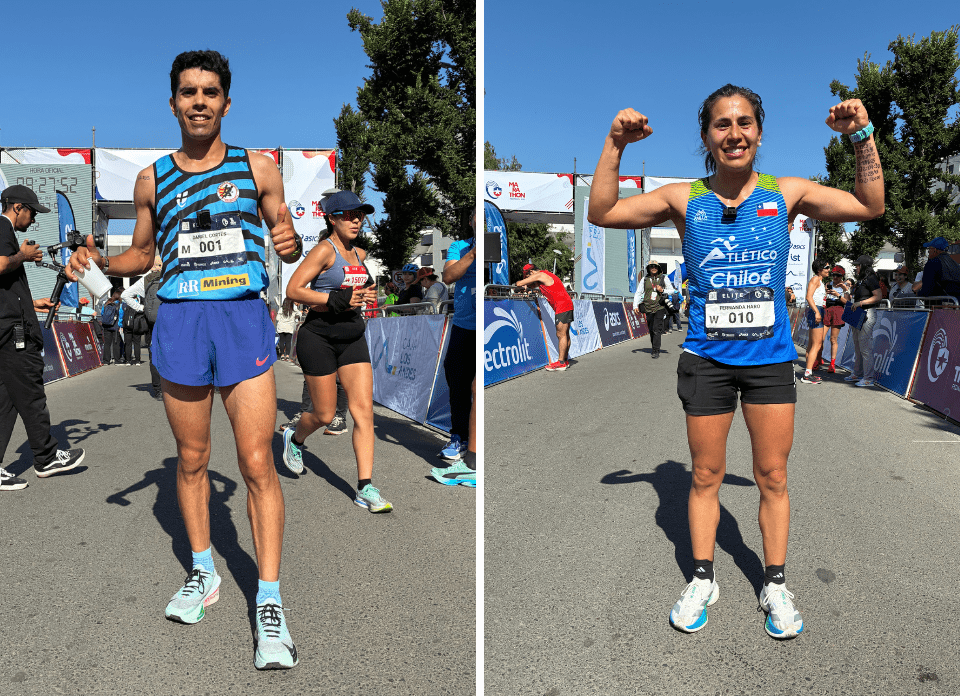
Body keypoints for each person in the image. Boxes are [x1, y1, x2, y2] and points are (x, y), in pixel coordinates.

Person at [587, 85, 884, 639]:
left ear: (759, 132)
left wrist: (862, 135)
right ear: (706, 136)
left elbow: (870, 206)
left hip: (769, 359)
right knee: (704, 475)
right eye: (721, 125)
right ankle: (703, 577)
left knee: (772, 474)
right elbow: (601, 211)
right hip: (706, 360)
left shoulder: (785, 192)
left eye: (744, 123)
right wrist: (614, 145)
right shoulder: (683, 198)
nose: (734, 133)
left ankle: (774, 581)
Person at [66, 50, 303, 669]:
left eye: (211, 92)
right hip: (179, 322)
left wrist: (291, 239)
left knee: (255, 462)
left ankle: (270, 601)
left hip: (242, 317)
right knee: (192, 459)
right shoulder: (150, 179)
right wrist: (97, 264)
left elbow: (286, 232)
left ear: (227, 102)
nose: (200, 101)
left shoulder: (260, 166)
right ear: (173, 103)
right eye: (188, 92)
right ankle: (204, 572)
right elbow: (142, 255)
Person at [282, 190, 391, 513]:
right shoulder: (323, 251)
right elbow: (294, 290)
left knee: (363, 413)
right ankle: (295, 438)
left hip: (352, 336)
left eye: (360, 214)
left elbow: (358, 291)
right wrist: (336, 301)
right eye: (348, 214)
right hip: (319, 336)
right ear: (332, 218)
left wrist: (367, 297)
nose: (356, 220)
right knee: (325, 414)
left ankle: (365, 487)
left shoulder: (360, 253)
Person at [0, 184, 86, 491]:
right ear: (18, 208)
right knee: (32, 393)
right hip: (13, 334)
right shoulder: (2, 227)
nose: (34, 220)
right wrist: (21, 255)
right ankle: (47, 457)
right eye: (32, 213)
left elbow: (5, 286)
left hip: (9, 325)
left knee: (7, 400)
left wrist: (30, 301)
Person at [437, 211, 477, 461]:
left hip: (489, 324)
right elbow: (449, 276)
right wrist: (473, 254)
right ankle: (459, 437)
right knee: (457, 382)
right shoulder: (459, 247)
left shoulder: (500, 246)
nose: (479, 221)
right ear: (470, 221)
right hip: (463, 325)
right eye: (475, 217)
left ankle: (476, 442)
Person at [515, 263, 573, 371]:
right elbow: (535, 286)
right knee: (565, 334)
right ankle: (564, 360)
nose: (529, 279)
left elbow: (519, 283)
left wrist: (521, 284)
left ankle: (561, 362)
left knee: (561, 334)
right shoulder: (544, 275)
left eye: (528, 276)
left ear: (531, 272)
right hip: (565, 304)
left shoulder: (539, 274)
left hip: (562, 306)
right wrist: (528, 288)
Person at [842, 255, 883, 387]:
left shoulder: (871, 278)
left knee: (865, 348)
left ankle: (868, 378)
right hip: (858, 314)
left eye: (858, 265)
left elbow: (878, 296)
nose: (856, 267)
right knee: (858, 346)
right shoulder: (862, 280)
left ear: (864, 266)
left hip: (867, 314)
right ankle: (857, 373)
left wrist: (860, 303)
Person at [632, 262, 675, 358]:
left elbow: (672, 291)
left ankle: (656, 350)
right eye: (651, 267)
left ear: (658, 268)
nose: (653, 268)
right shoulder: (645, 279)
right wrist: (635, 306)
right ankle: (654, 346)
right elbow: (638, 293)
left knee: (657, 329)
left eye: (655, 266)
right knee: (651, 329)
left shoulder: (664, 278)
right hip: (648, 307)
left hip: (659, 307)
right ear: (648, 268)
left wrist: (662, 290)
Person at [800, 260, 830, 383]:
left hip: (818, 310)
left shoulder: (820, 281)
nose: (829, 270)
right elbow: (808, 297)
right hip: (816, 310)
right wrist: (817, 312)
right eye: (826, 267)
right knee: (817, 344)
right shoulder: (815, 279)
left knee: (813, 344)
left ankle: (809, 371)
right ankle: (807, 374)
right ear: (819, 269)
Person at [917, 236, 960, 305]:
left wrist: (918, 294)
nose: (928, 252)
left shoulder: (932, 263)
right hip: (956, 304)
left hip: (938, 307)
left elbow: (927, 290)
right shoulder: (955, 264)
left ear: (935, 250)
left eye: (929, 249)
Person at [822, 266, 849, 373]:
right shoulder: (828, 284)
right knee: (821, 338)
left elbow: (847, 302)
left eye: (838, 275)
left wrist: (838, 295)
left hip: (838, 310)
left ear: (842, 276)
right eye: (833, 275)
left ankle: (832, 364)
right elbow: (823, 297)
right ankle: (818, 359)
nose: (835, 277)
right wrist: (825, 294)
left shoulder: (845, 286)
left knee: (833, 339)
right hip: (827, 310)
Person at [100, 288, 123, 364]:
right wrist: (120, 325)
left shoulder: (106, 303)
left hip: (106, 325)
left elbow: (102, 313)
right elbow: (121, 316)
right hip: (115, 326)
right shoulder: (119, 304)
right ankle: (117, 360)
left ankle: (106, 360)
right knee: (116, 343)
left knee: (107, 343)